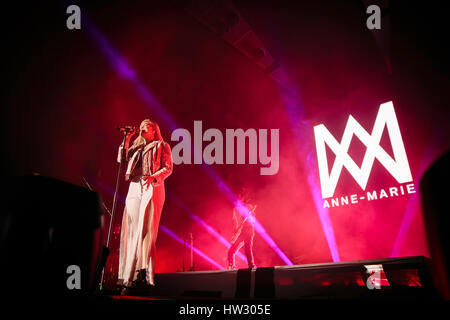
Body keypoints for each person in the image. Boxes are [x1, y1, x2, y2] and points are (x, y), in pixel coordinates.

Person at [117, 119, 173, 287]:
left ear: (154, 129)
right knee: (132, 228)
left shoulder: (162, 145)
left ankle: (143, 272)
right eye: (141, 123)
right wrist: (127, 139)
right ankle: (128, 275)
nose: (142, 125)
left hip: (152, 185)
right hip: (135, 185)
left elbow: (168, 167)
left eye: (146, 124)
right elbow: (122, 159)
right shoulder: (136, 146)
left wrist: (154, 177)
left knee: (146, 229)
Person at [227, 190, 256, 269]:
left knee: (247, 248)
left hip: (248, 230)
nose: (237, 199)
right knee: (231, 251)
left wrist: (248, 215)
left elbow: (252, 219)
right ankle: (231, 266)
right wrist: (235, 234)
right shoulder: (235, 210)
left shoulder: (248, 206)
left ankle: (251, 265)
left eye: (239, 197)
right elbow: (235, 223)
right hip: (241, 232)